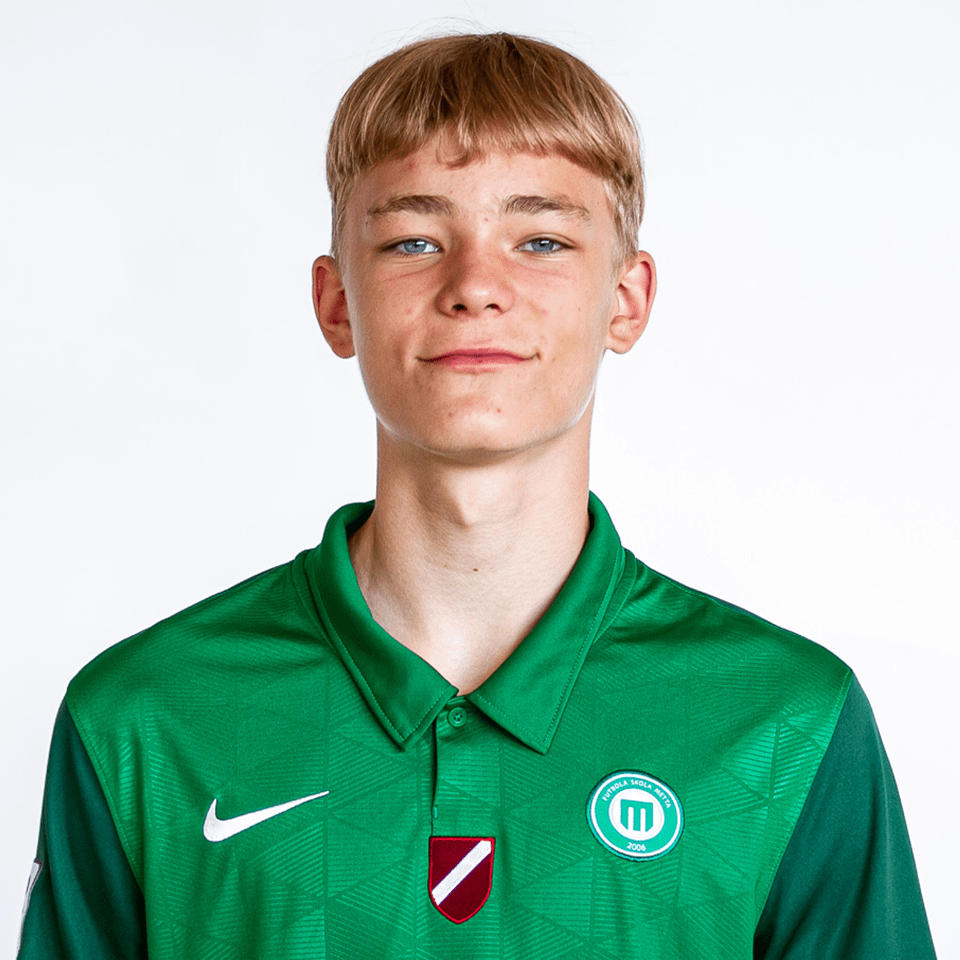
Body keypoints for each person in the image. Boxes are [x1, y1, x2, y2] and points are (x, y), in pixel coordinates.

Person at [18, 32, 936, 959]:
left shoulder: (785, 725)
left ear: (626, 300)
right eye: (414, 240)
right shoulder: (145, 720)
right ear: (337, 303)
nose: (476, 287)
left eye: (541, 240)